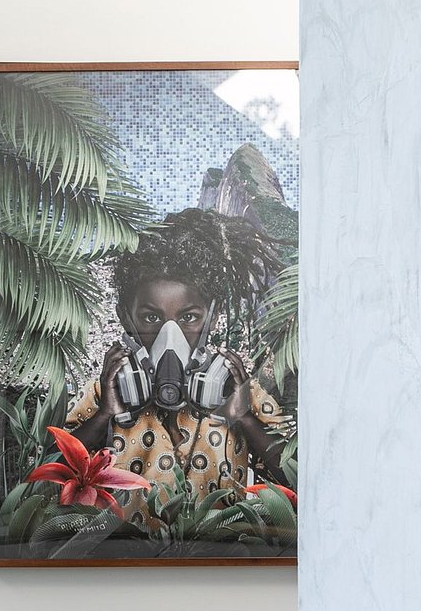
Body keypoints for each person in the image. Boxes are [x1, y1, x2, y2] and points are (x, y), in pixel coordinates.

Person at [64, 208, 290, 527]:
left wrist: (245, 419)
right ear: (126, 317)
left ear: (212, 317)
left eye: (188, 318)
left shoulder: (238, 389)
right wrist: (104, 416)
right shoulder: (108, 391)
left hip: (221, 553)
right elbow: (50, 481)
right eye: (151, 318)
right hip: (128, 554)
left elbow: (296, 477)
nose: (170, 337)